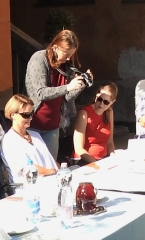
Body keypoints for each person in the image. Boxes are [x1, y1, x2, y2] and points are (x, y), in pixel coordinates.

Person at [24, 29, 90, 160]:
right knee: (34, 166)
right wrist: (68, 87)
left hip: (53, 126)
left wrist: (81, 85)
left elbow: (66, 98)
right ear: (55, 47)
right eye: (66, 54)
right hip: (32, 124)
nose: (68, 58)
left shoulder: (67, 67)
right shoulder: (39, 58)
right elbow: (41, 93)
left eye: (71, 55)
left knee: (51, 166)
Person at [0, 94, 58, 183]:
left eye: (31, 114)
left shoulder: (35, 135)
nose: (30, 118)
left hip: (51, 180)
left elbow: (48, 159)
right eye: (26, 115)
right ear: (13, 115)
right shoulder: (9, 140)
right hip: (30, 185)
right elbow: (27, 169)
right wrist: (51, 172)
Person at [72, 82, 118, 164]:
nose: (101, 104)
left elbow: (110, 142)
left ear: (112, 102)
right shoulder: (84, 113)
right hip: (84, 160)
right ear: (96, 95)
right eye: (99, 99)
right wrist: (97, 164)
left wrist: (113, 157)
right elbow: (79, 149)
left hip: (103, 159)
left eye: (106, 102)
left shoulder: (109, 112)